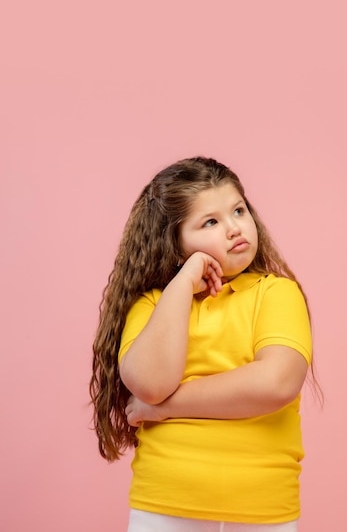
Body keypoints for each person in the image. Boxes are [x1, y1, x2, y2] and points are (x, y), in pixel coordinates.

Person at [90, 156, 319, 532]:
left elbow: (276, 382)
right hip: (165, 500)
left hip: (262, 504)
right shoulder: (153, 306)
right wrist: (182, 284)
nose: (234, 228)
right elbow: (150, 384)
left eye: (238, 210)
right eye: (210, 222)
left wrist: (164, 408)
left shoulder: (277, 293)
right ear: (175, 243)